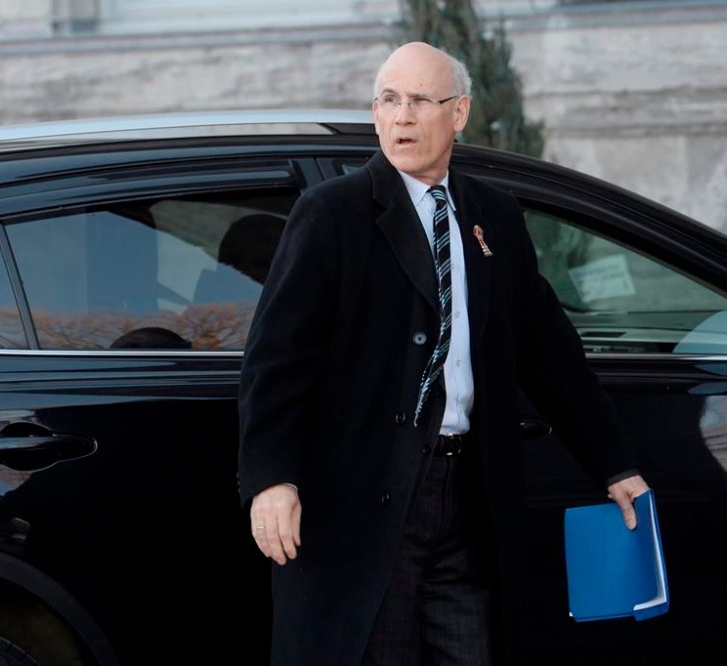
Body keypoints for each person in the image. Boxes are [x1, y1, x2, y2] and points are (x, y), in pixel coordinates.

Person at [238, 41, 649, 666]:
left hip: (468, 496)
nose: (401, 117)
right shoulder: (332, 215)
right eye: (388, 100)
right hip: (367, 501)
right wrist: (271, 478)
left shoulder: (494, 215)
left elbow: (548, 352)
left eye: (419, 102)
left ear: (458, 113)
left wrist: (614, 463)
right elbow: (276, 360)